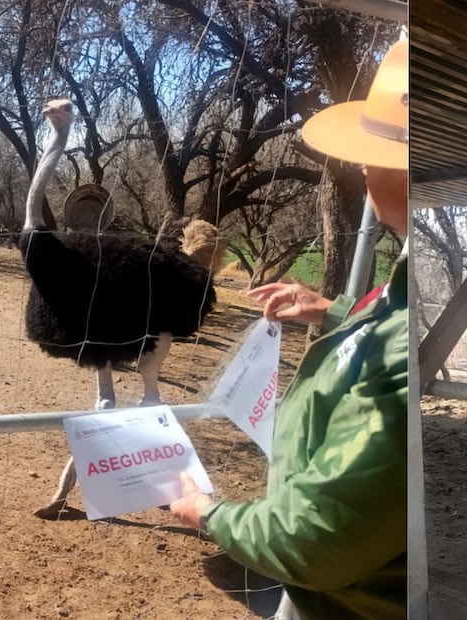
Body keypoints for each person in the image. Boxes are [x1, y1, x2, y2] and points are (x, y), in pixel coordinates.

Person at [171, 37, 409, 620]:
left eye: (374, 153)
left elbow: (318, 537)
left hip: (347, 598)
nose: (359, 163)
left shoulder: (412, 345)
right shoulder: (410, 284)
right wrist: (329, 309)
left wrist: (208, 511)